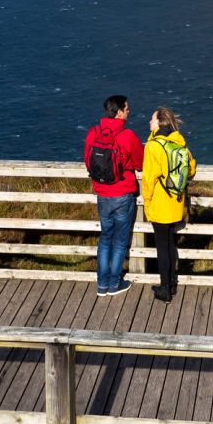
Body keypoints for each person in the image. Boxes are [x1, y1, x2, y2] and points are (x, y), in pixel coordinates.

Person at [84, 94, 144, 296]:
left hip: (102, 194)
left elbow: (87, 161)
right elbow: (140, 163)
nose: (129, 111)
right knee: (119, 241)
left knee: (105, 237)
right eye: (126, 108)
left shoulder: (93, 132)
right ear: (118, 112)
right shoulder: (127, 136)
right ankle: (114, 283)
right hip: (122, 193)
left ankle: (102, 284)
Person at [142, 106, 196, 302]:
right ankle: (172, 283)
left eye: (152, 119)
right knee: (171, 244)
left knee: (162, 247)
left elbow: (148, 180)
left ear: (159, 123)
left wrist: (147, 204)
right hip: (176, 202)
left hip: (160, 203)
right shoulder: (179, 143)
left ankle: (165, 288)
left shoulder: (153, 146)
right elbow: (191, 168)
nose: (149, 122)